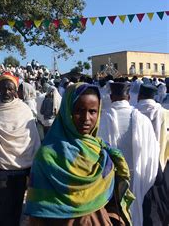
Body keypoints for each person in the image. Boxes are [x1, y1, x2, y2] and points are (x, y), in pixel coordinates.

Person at [25, 83, 134, 225]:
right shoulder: (47, 156)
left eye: (92, 111)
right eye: (79, 111)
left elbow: (112, 202)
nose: (86, 118)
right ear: (66, 111)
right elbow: (37, 210)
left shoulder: (100, 151)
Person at [0, 73, 41, 225]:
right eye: (3, 88)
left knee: (17, 204)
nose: (6, 92)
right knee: (2, 204)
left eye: (10, 89)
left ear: (15, 90)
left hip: (22, 167)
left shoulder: (24, 110)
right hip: (0, 167)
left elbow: (32, 139)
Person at [98, 82, 159, 226]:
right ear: (128, 97)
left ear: (111, 97)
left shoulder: (101, 120)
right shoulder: (143, 121)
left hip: (109, 182)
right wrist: (141, 183)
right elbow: (153, 157)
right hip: (138, 179)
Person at [134, 84, 169, 225]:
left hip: (137, 163)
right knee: (160, 203)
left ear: (139, 95)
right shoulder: (165, 113)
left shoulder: (133, 112)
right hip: (162, 165)